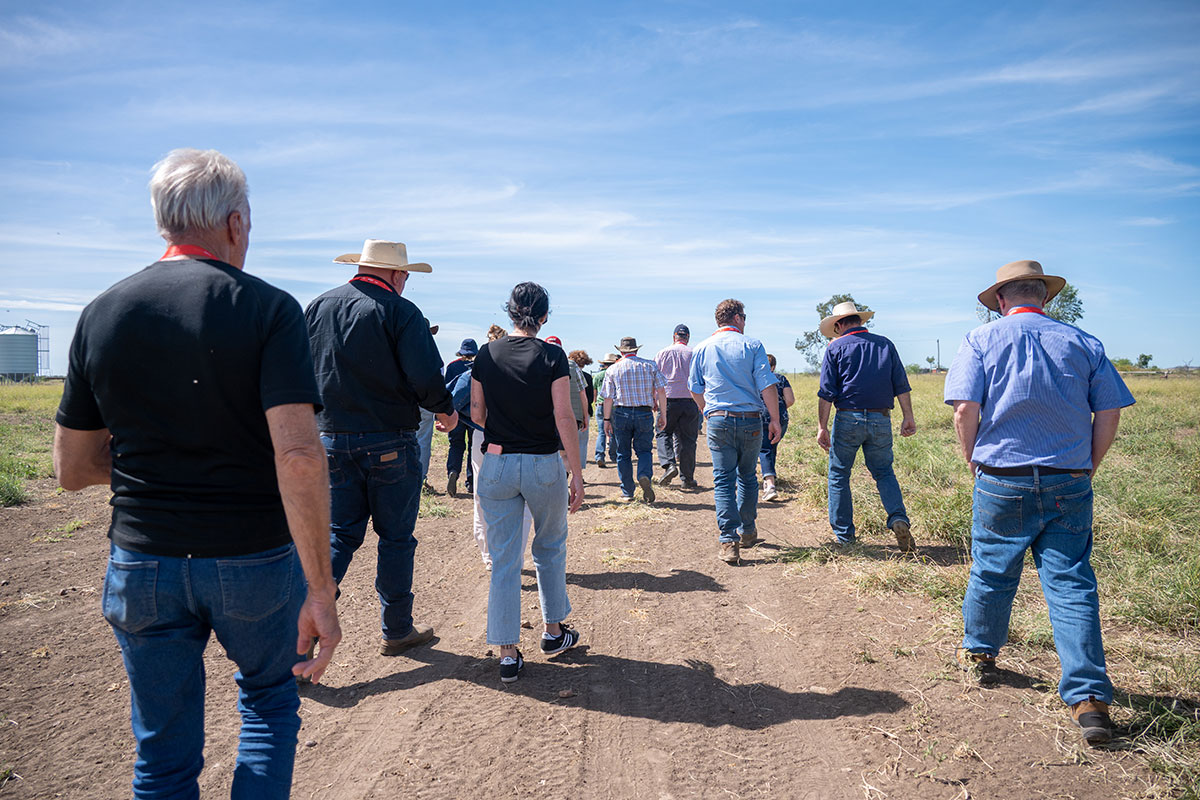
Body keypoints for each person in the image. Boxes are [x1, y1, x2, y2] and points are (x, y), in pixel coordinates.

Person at [53, 148, 341, 798]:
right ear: (236, 223)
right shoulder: (268, 309)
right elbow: (298, 456)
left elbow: (72, 468)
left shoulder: (103, 312)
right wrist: (321, 591)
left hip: (144, 559)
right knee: (268, 704)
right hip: (252, 558)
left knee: (161, 758)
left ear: (164, 220)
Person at [945, 260, 1134, 746]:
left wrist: (972, 460)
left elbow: (965, 409)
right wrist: (1088, 465)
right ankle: (1089, 699)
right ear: (1045, 297)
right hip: (1068, 477)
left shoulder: (978, 340)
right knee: (1071, 583)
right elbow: (1109, 409)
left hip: (1001, 477)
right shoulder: (1083, 342)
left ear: (1000, 300)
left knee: (992, 570)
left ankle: (980, 654)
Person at [305, 239, 458, 657]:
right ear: (396, 274)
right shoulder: (401, 312)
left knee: (339, 535)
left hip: (331, 437)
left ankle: (303, 632)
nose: (406, 282)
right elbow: (425, 376)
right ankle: (397, 628)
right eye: (405, 275)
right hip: (389, 438)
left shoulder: (317, 307)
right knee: (395, 538)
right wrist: (445, 410)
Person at [471, 282, 584, 683]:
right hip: (542, 463)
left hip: (497, 462)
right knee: (549, 547)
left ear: (510, 311)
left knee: (504, 558)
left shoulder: (486, 354)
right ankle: (553, 633)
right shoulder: (553, 356)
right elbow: (563, 415)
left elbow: (477, 413)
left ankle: (507, 654)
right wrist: (577, 472)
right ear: (545, 316)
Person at [815, 301, 917, 552]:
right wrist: (908, 417)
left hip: (848, 418)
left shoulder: (835, 348)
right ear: (860, 321)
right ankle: (898, 518)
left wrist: (822, 427)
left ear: (838, 325)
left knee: (839, 474)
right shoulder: (885, 344)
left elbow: (827, 392)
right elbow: (901, 384)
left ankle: (845, 536)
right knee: (884, 472)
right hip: (881, 418)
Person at [689, 299, 780, 564]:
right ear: (738, 318)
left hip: (719, 420)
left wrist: (706, 410)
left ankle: (729, 541)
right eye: (745, 317)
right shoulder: (752, 345)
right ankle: (747, 530)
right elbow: (767, 384)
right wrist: (774, 419)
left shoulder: (702, 347)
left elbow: (694, 387)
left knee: (723, 480)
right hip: (751, 420)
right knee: (748, 476)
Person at [602, 337, 668, 503]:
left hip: (621, 413)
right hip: (644, 413)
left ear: (621, 351)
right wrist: (663, 414)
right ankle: (644, 475)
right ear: (636, 350)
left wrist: (606, 419)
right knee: (644, 451)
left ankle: (627, 492)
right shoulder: (650, 365)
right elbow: (661, 391)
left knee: (623, 453)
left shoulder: (613, 369)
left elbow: (608, 398)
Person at [654, 324, 702, 489]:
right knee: (689, 440)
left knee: (663, 433)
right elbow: (701, 377)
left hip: (668, 400)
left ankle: (669, 464)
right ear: (688, 337)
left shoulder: (662, 353)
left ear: (674, 337)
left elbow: (655, 379)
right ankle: (687, 479)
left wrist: (654, 399)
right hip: (690, 400)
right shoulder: (694, 353)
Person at [545, 336, 590, 474]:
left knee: (548, 452)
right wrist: (585, 416)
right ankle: (564, 481)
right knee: (565, 452)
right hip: (571, 415)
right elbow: (582, 392)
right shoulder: (572, 365)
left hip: (546, 416)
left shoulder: (538, 363)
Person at [444, 338, 478, 497]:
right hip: (473, 415)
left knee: (456, 444)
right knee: (472, 446)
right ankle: (471, 481)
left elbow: (447, 390)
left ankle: (453, 471)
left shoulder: (452, 366)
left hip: (455, 413)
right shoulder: (477, 367)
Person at [759, 354, 795, 501]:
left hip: (762, 416)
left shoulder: (756, 378)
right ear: (773, 366)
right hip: (781, 418)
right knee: (772, 447)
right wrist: (780, 408)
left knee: (764, 449)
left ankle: (770, 484)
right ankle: (770, 477)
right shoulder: (781, 379)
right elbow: (790, 400)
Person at [592, 352, 620, 467]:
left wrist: (596, 402)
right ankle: (613, 455)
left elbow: (595, 392)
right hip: (613, 405)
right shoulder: (615, 374)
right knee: (613, 432)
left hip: (600, 404)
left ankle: (599, 456)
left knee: (601, 432)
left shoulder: (598, 376)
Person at [569, 349, 595, 469]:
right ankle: (579, 469)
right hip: (583, 412)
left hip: (568, 411)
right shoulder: (588, 377)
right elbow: (590, 398)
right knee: (582, 443)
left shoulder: (564, 373)